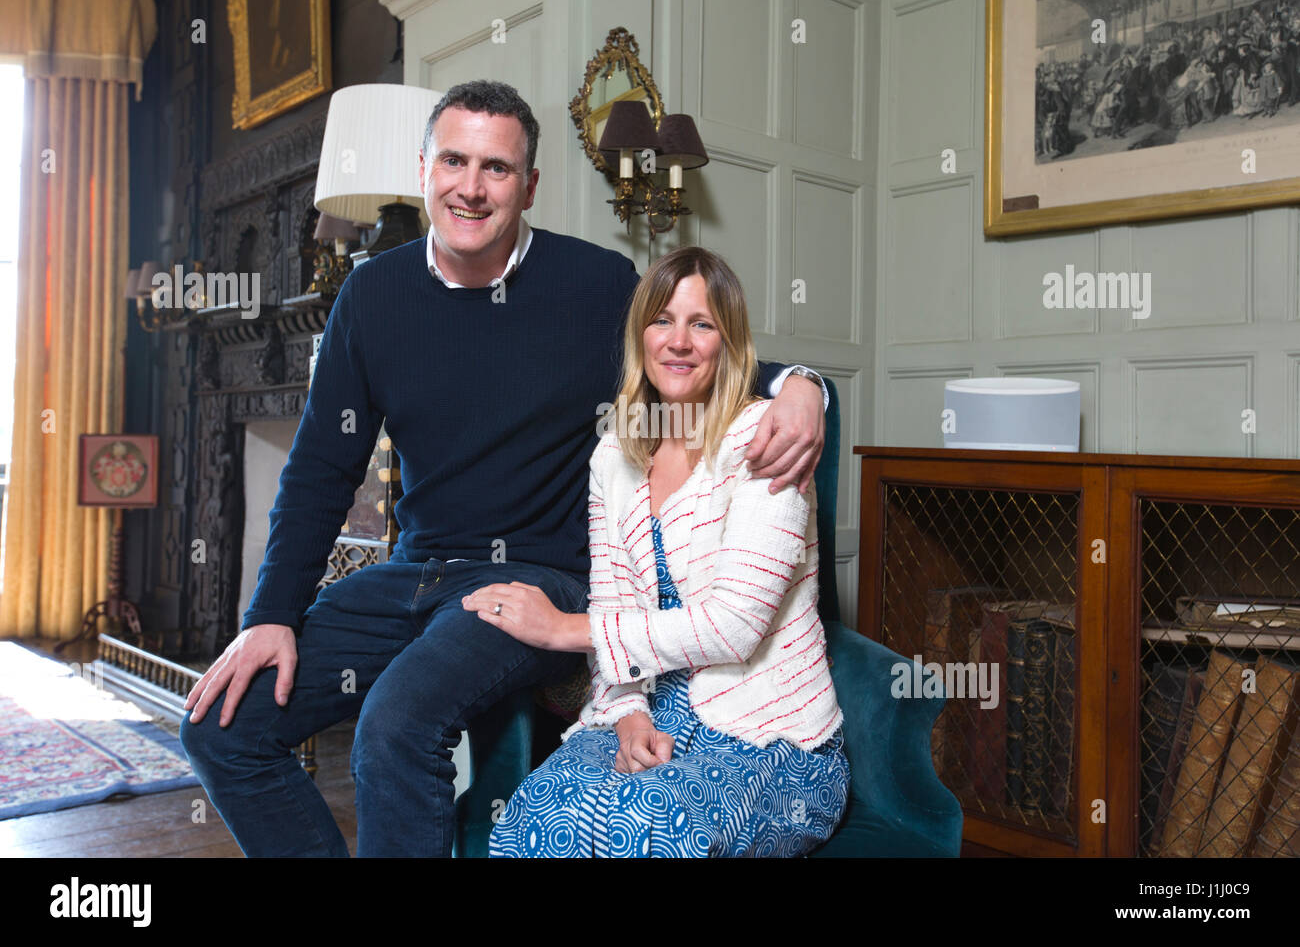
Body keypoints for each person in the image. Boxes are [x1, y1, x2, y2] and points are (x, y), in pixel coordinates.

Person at [178, 81, 830, 857]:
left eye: (496, 168)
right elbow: (319, 469)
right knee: (222, 724)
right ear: (423, 167)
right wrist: (270, 618)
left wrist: (804, 387)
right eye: (454, 160)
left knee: (394, 724)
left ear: (529, 186)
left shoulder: (592, 285)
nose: (471, 187)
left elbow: (689, 355)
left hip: (533, 579)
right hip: (414, 573)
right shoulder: (372, 295)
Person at [467, 246, 848, 857]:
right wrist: (626, 714)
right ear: (639, 336)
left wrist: (563, 629)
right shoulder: (614, 454)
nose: (679, 341)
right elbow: (614, 598)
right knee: (529, 820)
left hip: (771, 740)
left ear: (729, 341)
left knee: (644, 829)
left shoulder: (766, 438)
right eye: (662, 320)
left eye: (702, 324)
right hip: (653, 717)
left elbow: (735, 627)